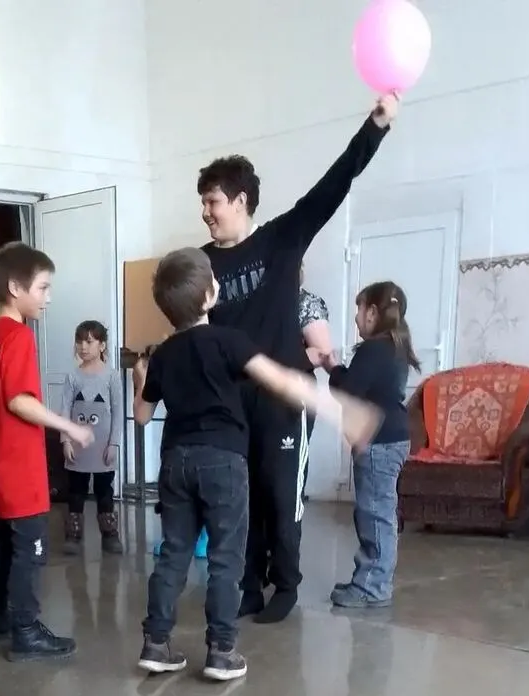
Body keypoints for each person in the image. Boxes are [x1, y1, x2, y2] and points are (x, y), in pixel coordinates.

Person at [133, 248, 382, 681]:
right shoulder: (228, 340)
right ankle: (221, 651)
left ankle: (155, 644)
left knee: (173, 553)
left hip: (175, 461)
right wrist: (341, 411)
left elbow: (141, 415)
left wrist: (141, 379)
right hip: (223, 460)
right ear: (210, 296)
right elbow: (282, 380)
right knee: (226, 557)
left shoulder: (164, 355)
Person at [198, 94, 398, 624]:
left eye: (213, 201)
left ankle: (285, 585)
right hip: (232, 402)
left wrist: (375, 127)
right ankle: (247, 586)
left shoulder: (281, 240)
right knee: (242, 500)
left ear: (240, 200)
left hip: (285, 401)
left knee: (281, 496)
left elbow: (336, 183)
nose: (206, 212)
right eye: (203, 203)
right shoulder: (201, 264)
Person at [0, 242, 94, 662]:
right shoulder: (18, 335)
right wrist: (70, 427)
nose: (48, 297)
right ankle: (25, 631)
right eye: (42, 288)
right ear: (15, 287)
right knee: (31, 548)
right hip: (17, 461)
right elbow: (18, 401)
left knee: (9, 543)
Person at [322, 281, 417, 609]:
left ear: (373, 312)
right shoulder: (396, 346)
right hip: (394, 437)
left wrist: (332, 367)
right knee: (381, 513)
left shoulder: (373, 350)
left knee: (374, 515)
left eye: (359, 310)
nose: (357, 318)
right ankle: (373, 580)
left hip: (379, 440)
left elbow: (348, 389)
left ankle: (371, 587)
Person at [60, 320, 124, 556]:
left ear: (102, 345)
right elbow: (64, 411)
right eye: (79, 342)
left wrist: (113, 443)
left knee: (104, 491)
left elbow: (117, 412)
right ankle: (73, 535)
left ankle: (109, 534)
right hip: (77, 448)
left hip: (103, 447)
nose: (83, 347)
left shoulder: (112, 377)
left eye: (89, 341)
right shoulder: (72, 377)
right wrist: (65, 440)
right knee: (75, 491)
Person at [297, 265, 334, 505]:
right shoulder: (259, 300)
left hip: (296, 389)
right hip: (254, 391)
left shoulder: (306, 302)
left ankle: (293, 511)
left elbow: (322, 352)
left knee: (292, 458)